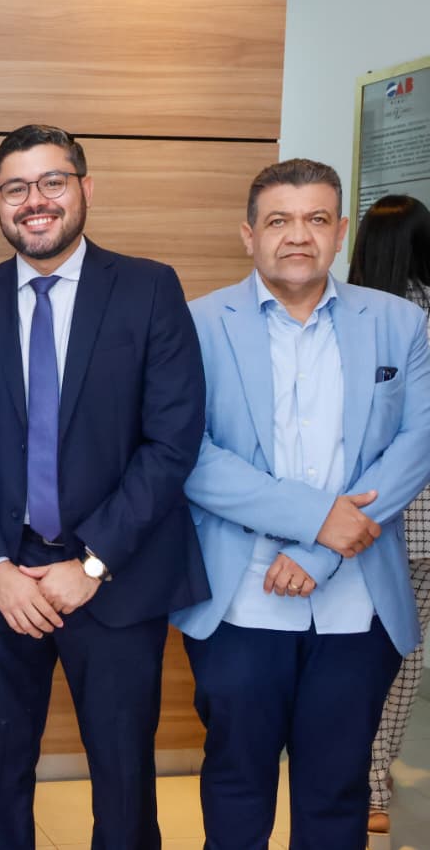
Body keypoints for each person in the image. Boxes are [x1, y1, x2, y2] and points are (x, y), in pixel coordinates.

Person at [0, 124, 207, 849]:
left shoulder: (149, 289)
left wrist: (91, 563)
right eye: (16, 187)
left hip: (114, 576)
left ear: (85, 188)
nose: (35, 200)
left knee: (123, 784)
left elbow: (172, 441)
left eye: (52, 181)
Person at [173, 160, 430, 849]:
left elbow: (416, 444)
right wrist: (315, 520)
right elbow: (190, 454)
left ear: (340, 233)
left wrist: (320, 550)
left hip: (357, 599)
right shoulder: (197, 323)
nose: (298, 235)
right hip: (240, 598)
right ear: (248, 234)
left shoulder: (400, 323)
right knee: (237, 780)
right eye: (279, 220)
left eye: (316, 219)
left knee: (337, 788)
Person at [346, 193, 430, 835]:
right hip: (422, 521)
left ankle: (340, 772)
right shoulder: (421, 318)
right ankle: (373, 785)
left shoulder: (344, 314)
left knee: (346, 654)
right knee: (404, 653)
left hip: (347, 518)